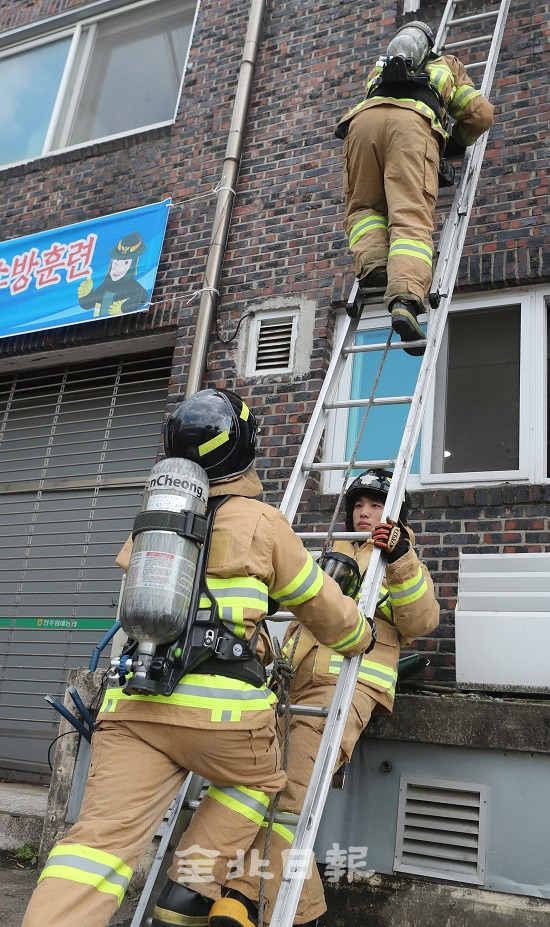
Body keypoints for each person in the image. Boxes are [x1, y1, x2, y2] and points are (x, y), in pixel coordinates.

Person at [22, 388, 375, 927]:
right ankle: (188, 890)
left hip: (135, 707)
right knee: (261, 783)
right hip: (225, 719)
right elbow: (325, 609)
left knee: (95, 847)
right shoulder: (262, 522)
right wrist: (362, 637)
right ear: (244, 448)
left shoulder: (155, 520)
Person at [217, 467, 439, 927]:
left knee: (294, 791)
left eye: (375, 505)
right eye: (358, 504)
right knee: (263, 790)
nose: (364, 513)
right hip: (292, 685)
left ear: (395, 514)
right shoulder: (333, 549)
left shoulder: (402, 559)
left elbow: (422, 622)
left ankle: (241, 899)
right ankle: (305, 915)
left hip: (349, 686)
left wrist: (400, 558)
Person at [336, 21, 495, 354]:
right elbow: (480, 117)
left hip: (361, 125)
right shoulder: (446, 66)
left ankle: (376, 267)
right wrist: (453, 143)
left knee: (364, 207)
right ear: (429, 47)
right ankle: (405, 300)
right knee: (409, 215)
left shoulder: (378, 69)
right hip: (412, 126)